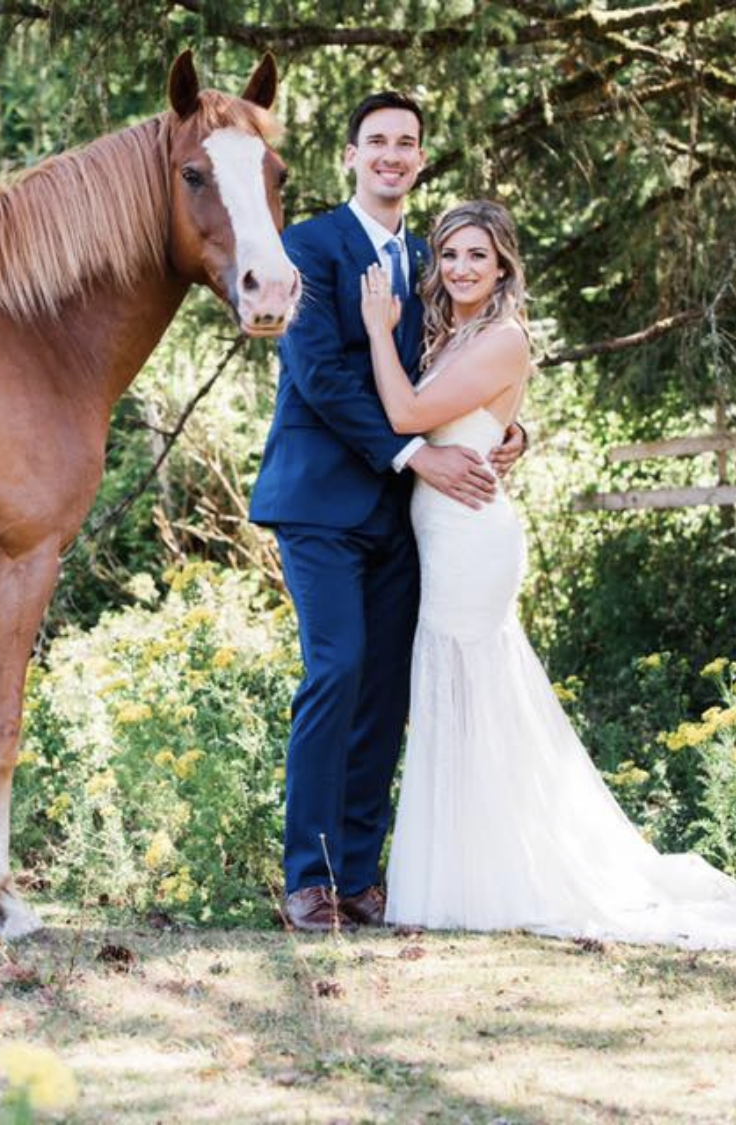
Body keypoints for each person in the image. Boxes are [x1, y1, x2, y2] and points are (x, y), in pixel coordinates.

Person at [359, 199, 736, 949]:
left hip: (471, 536)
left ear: (502, 270)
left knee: (470, 691)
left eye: (476, 257)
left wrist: (371, 326)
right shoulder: (452, 332)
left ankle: (495, 877)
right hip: (439, 527)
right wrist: (511, 430)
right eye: (450, 254)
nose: (459, 267)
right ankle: (462, 873)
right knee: (455, 697)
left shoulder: (501, 338)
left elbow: (405, 413)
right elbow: (469, 418)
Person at [248, 93, 526, 933]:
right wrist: (413, 453)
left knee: (385, 689)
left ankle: (360, 878)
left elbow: (460, 366)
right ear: (350, 154)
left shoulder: (427, 259)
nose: (391, 155)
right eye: (377, 142)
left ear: (419, 160)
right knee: (334, 670)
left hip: (405, 515)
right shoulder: (309, 246)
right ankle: (307, 878)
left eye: (406, 143)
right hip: (321, 503)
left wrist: (509, 425)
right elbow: (321, 374)